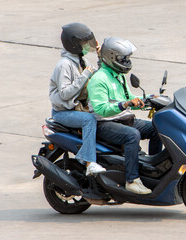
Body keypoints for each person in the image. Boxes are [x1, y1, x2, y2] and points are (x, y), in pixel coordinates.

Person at [87, 37, 162, 194]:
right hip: (105, 124)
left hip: (124, 120)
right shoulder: (99, 79)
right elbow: (101, 109)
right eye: (123, 58)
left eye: (127, 58)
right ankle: (132, 180)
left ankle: (155, 172)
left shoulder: (118, 74)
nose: (126, 61)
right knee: (132, 135)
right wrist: (125, 105)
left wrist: (148, 99)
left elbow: (128, 98)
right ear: (111, 57)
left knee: (158, 128)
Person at [49, 22, 106, 175]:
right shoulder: (64, 65)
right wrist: (84, 76)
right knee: (89, 120)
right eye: (84, 43)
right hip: (63, 112)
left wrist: (100, 59)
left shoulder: (82, 61)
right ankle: (89, 162)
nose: (87, 45)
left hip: (78, 108)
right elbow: (65, 94)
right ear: (74, 44)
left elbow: (97, 79)